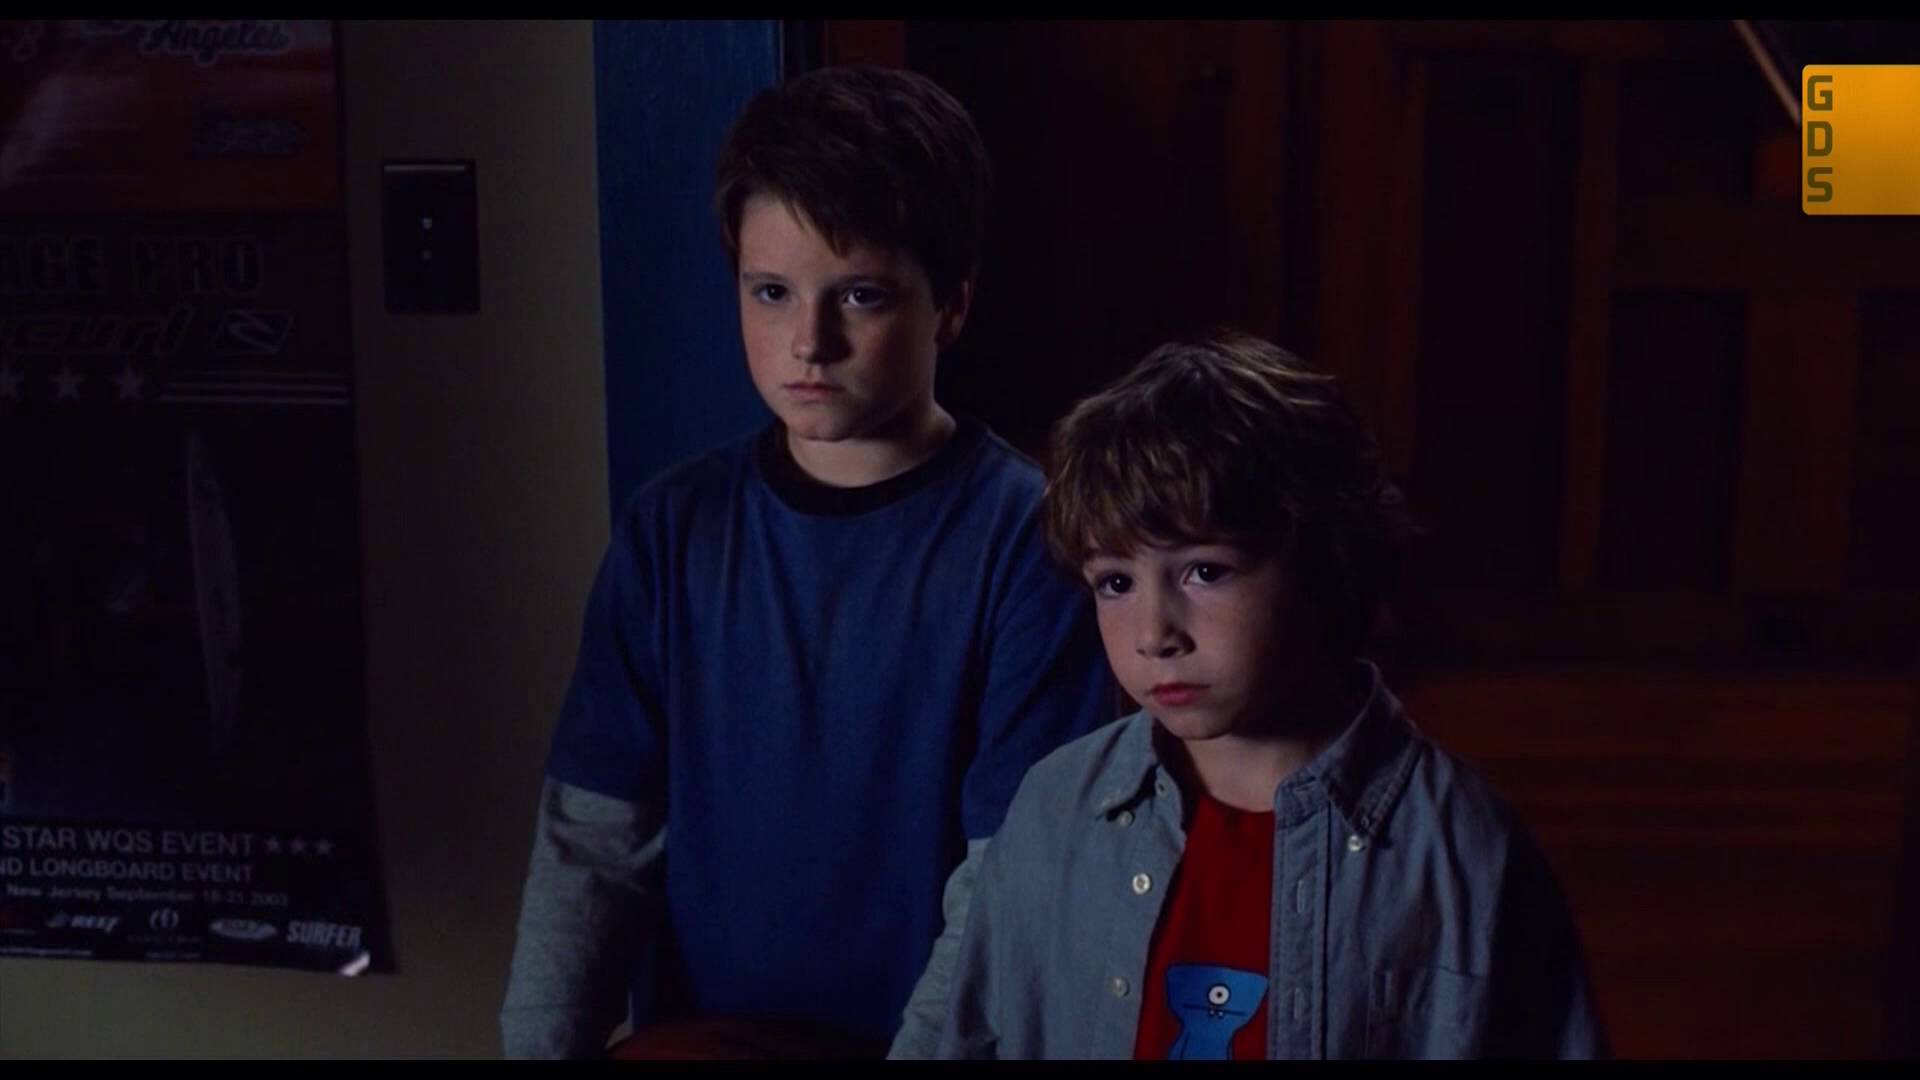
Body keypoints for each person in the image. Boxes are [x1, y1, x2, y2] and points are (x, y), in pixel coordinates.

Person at [498, 64, 1113, 1059]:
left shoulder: (1027, 543)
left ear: (951, 305)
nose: (809, 342)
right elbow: (592, 845)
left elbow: (1009, 885)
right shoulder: (673, 531)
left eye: (860, 296)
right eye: (772, 293)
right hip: (703, 1042)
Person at [914, 332, 1608, 1059]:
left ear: (1323, 560)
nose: (1154, 634)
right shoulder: (1053, 808)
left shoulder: (1465, 850)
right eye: (1115, 582)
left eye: (1205, 572)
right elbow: (960, 1031)